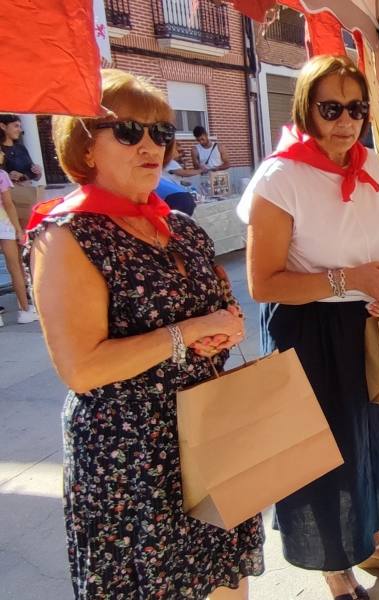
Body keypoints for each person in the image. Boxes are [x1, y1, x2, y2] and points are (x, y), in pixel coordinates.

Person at [24, 69, 263, 599]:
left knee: (225, 581)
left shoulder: (177, 225)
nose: (151, 144)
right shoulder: (66, 235)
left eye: (162, 132)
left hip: (207, 429)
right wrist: (188, 332)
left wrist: (223, 330)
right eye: (130, 131)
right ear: (85, 148)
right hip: (131, 455)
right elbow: (81, 368)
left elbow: (223, 310)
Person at [238, 55, 379, 600]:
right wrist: (350, 278)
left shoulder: (373, 165)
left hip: (367, 323)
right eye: (331, 108)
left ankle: (369, 539)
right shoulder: (281, 176)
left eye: (356, 108)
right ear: (306, 110)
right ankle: (333, 564)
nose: (346, 120)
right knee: (324, 450)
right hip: (309, 328)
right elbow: (264, 284)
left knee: (372, 442)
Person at [0, 164, 37, 325]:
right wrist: (18, 229)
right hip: (3, 224)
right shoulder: (2, 175)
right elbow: (8, 203)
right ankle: (24, 310)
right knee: (15, 267)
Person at [0, 114, 42, 183]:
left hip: (24, 192)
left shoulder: (21, 148)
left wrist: (38, 171)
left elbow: (36, 178)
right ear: (3, 126)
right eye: (16, 126)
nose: (20, 130)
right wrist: (7, 177)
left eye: (20, 126)